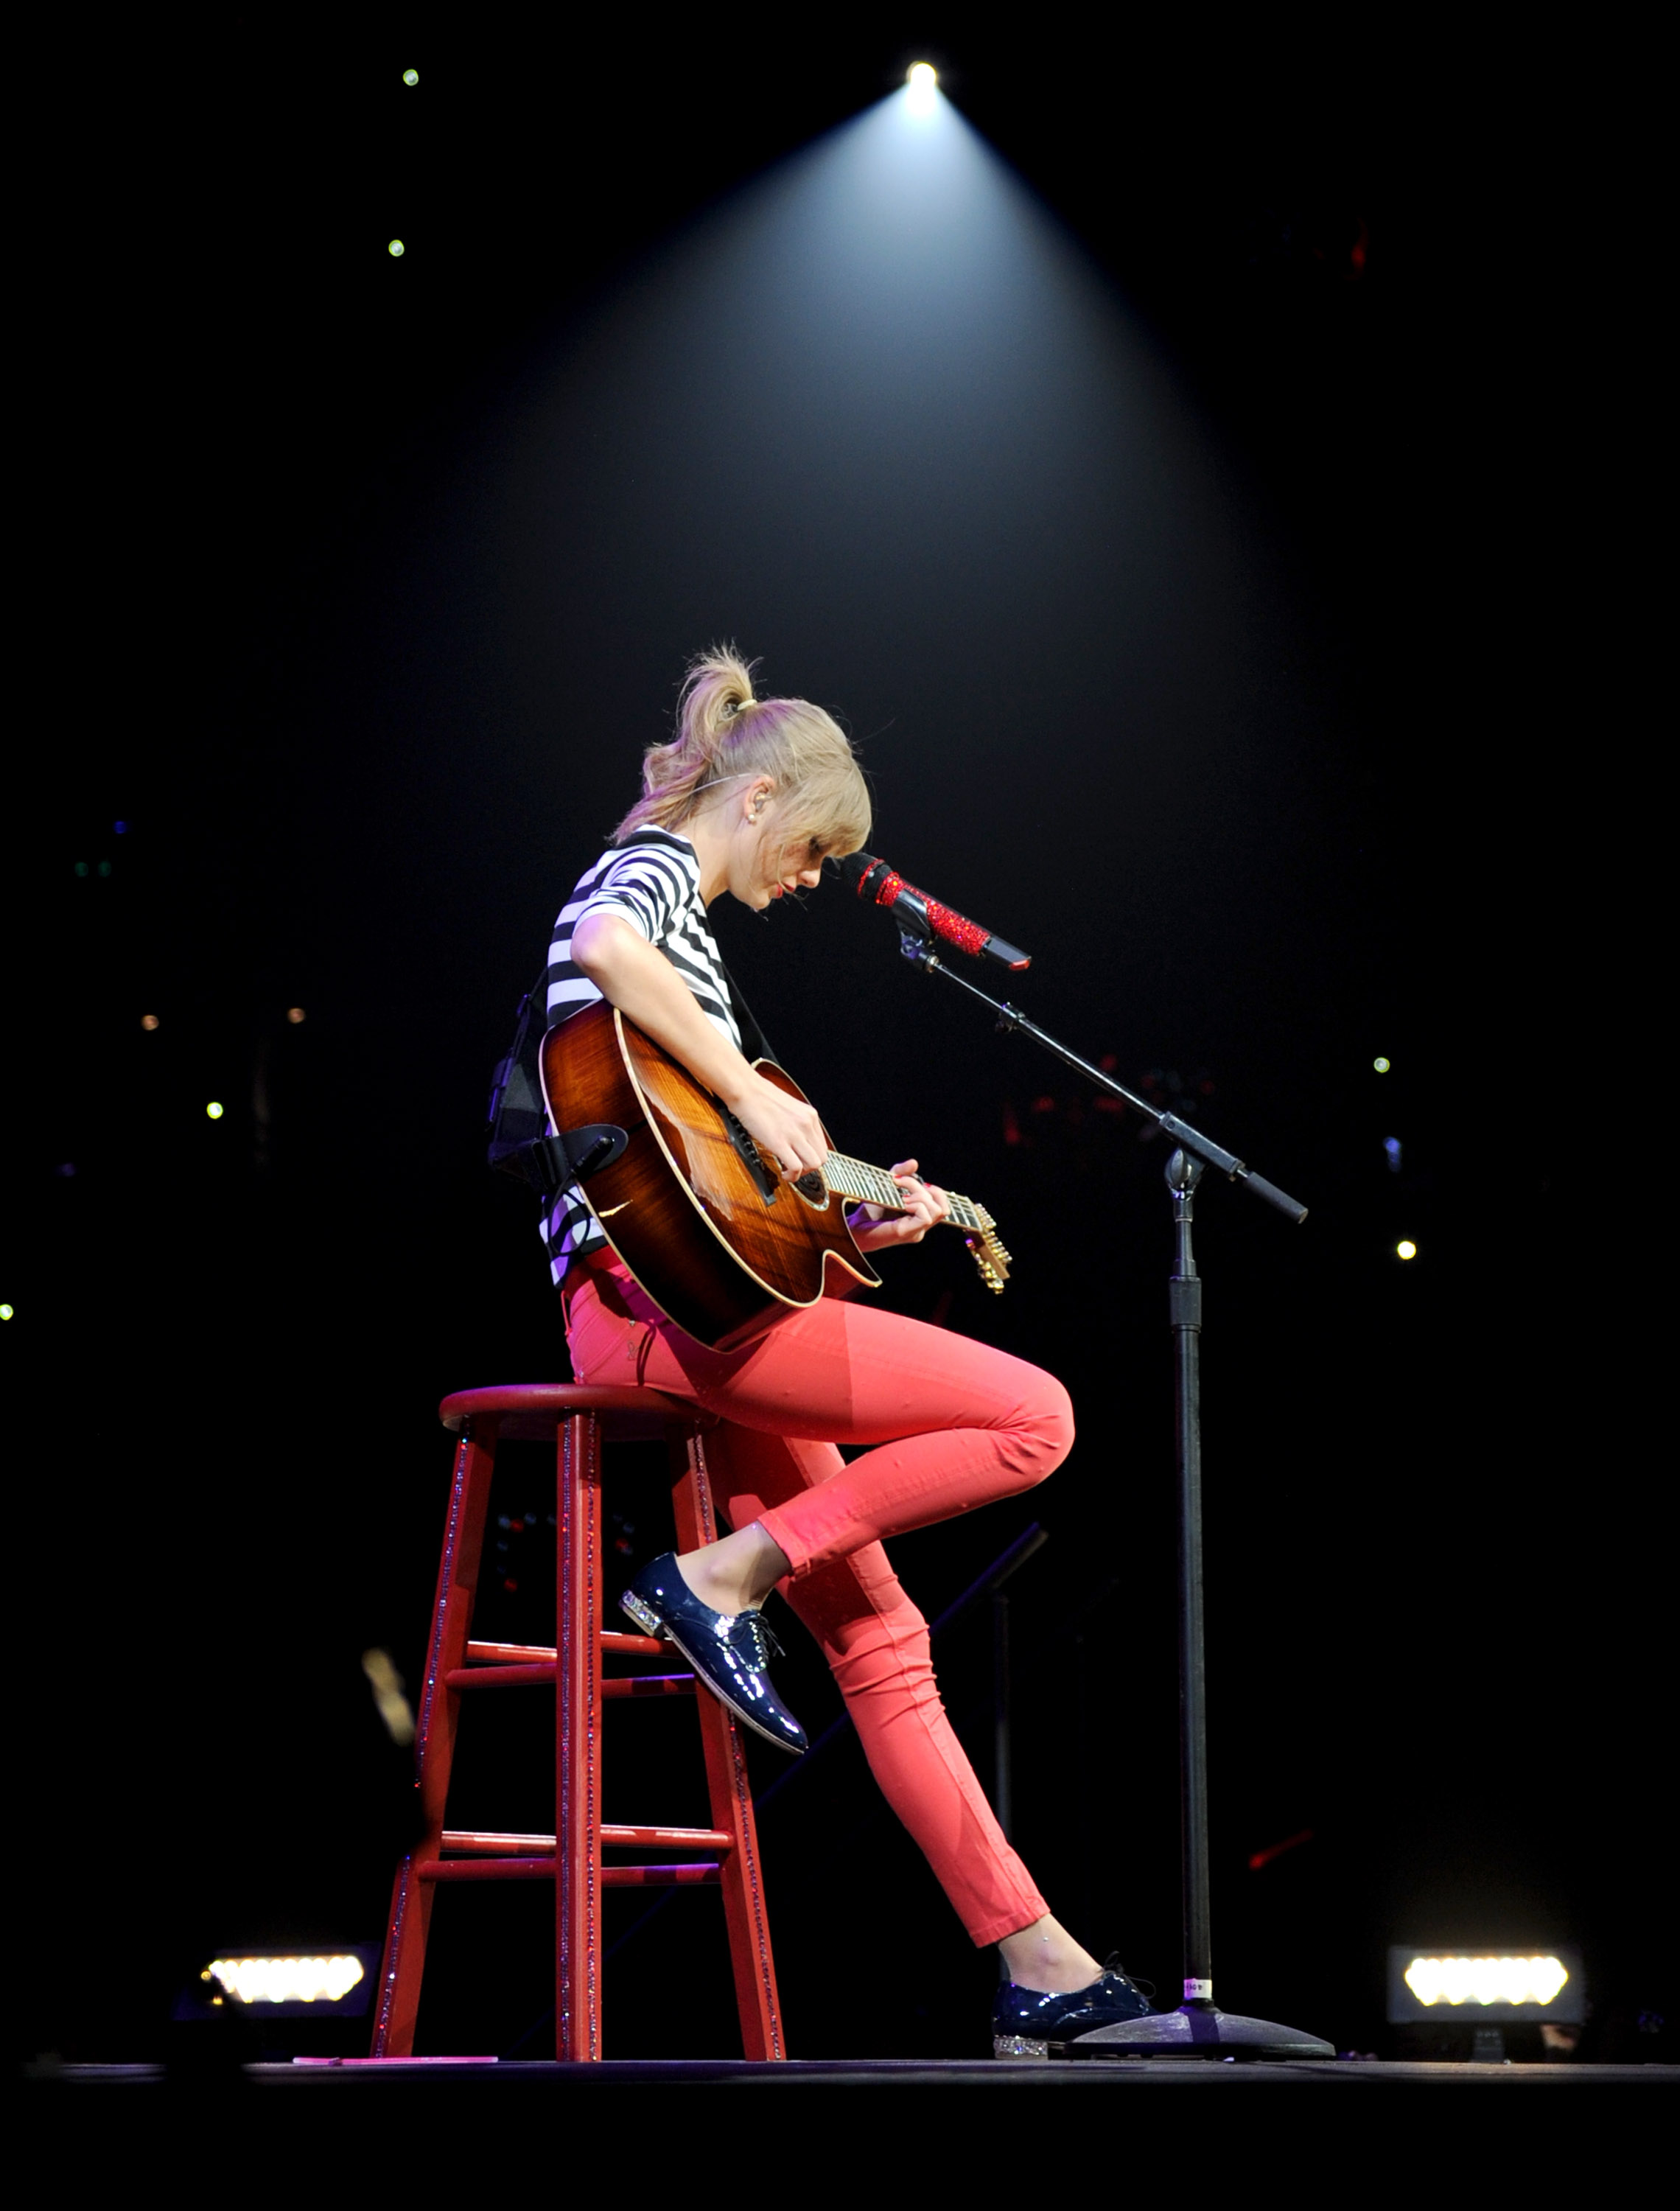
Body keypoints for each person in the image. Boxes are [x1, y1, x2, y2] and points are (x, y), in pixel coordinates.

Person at [544, 648, 1152, 2058]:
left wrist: (835, 1227)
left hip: (698, 1301)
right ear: (753, 802)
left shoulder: (690, 927)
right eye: (811, 850)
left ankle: (1038, 1962)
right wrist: (757, 1094)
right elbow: (602, 950)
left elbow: (694, 1187)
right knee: (1034, 1420)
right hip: (657, 1323)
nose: (812, 879)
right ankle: (717, 1579)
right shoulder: (644, 883)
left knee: (884, 1640)